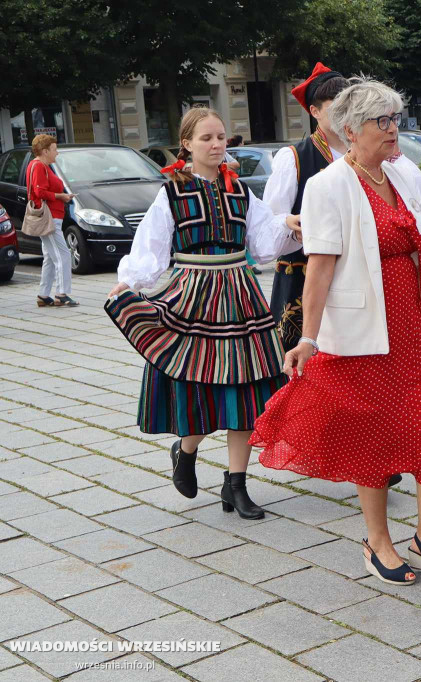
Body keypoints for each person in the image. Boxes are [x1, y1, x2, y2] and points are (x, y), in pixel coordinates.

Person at [251, 81, 421, 584]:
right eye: (382, 121)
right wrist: (307, 338)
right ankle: (377, 542)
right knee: (372, 438)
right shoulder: (328, 185)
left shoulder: (403, 174)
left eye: (395, 118)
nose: (393, 129)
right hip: (361, 332)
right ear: (350, 130)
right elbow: (319, 271)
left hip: (414, 325)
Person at [105, 107, 300, 520]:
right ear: (187, 144)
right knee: (201, 391)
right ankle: (186, 450)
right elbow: (152, 246)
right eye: (207, 138)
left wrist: (291, 223)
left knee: (247, 395)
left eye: (221, 137)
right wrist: (129, 282)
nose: (216, 145)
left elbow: (264, 243)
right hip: (193, 297)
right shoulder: (171, 194)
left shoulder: (240, 191)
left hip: (241, 296)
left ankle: (236, 485)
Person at [265, 63, 348, 355]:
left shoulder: (364, 151)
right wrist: (290, 223)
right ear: (315, 112)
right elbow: (270, 223)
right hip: (302, 278)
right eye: (336, 106)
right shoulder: (294, 158)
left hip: (353, 274)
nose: (345, 112)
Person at [27, 135, 76, 308]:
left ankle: (43, 294)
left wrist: (61, 197)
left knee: (49, 256)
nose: (57, 152)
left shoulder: (40, 166)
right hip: (49, 219)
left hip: (51, 217)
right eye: (54, 149)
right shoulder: (40, 166)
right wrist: (61, 196)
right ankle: (61, 293)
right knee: (63, 254)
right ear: (45, 151)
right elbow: (40, 192)